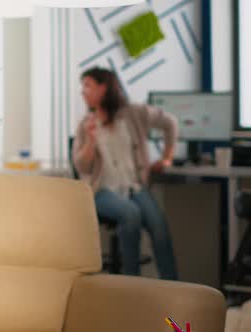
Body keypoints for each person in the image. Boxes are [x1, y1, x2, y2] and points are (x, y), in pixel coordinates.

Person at [72, 67, 178, 280]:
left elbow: (170, 123)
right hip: (101, 191)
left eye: (87, 86)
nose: (82, 92)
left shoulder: (134, 113)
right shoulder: (86, 124)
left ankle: (173, 286)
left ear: (103, 88)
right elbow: (81, 166)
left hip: (134, 186)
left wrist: (167, 157)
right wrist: (91, 141)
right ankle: (132, 283)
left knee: (159, 226)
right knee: (131, 214)